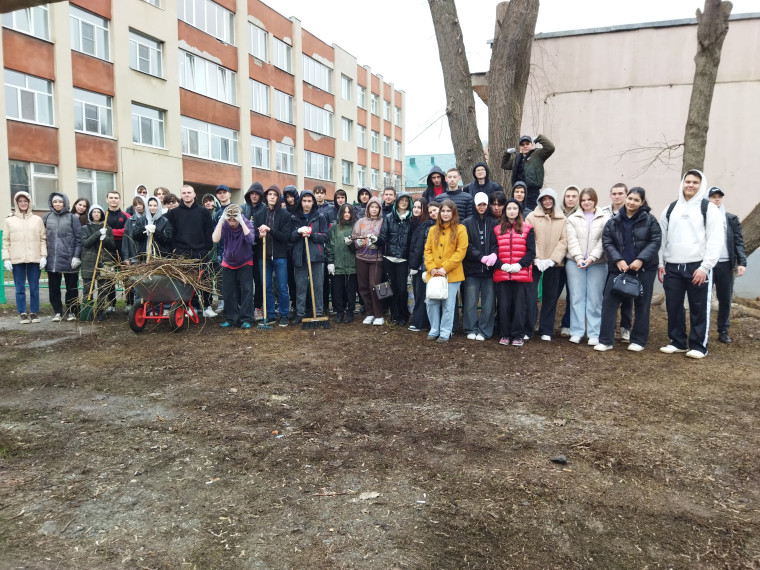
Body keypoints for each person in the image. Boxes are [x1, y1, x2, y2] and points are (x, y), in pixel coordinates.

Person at [658, 169, 723, 359]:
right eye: (688, 181)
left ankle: (698, 345)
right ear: (682, 183)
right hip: (672, 267)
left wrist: (705, 267)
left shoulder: (708, 209)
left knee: (698, 306)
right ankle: (677, 342)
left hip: (698, 267)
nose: (690, 185)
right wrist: (661, 263)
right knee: (674, 305)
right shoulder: (670, 209)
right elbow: (662, 239)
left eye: (695, 182)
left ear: (700, 185)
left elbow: (715, 240)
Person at [595, 187, 662, 352]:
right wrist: (618, 259)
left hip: (644, 268)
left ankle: (638, 340)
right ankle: (606, 340)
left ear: (642, 202)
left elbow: (655, 241)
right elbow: (607, 241)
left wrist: (640, 260)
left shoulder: (650, 220)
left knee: (642, 303)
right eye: (630, 198)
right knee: (609, 303)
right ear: (626, 199)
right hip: (619, 268)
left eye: (636, 200)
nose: (632, 202)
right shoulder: (614, 221)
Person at [564, 188, 609, 345]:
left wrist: (591, 257)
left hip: (598, 263)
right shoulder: (573, 219)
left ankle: (594, 333)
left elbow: (603, 241)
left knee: (595, 298)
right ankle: (576, 331)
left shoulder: (605, 218)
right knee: (576, 297)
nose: (586, 202)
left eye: (589, 199)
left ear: (595, 200)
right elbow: (572, 239)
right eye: (583, 200)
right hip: (575, 263)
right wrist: (578, 257)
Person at [166, 184, 216, 317]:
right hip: (182, 253)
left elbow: (209, 232)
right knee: (185, 281)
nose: (186, 195)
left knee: (204, 280)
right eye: (184, 193)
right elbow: (171, 233)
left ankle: (206, 306)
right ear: (181, 195)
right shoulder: (174, 213)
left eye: (189, 192)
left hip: (200, 252)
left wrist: (206, 249)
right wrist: (175, 250)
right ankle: (189, 306)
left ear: (194, 195)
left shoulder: (203, 212)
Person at [491, 198, 535, 346]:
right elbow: (493, 251)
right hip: (502, 274)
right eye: (509, 208)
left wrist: (520, 265)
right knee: (503, 306)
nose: (511, 211)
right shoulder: (497, 229)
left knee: (519, 307)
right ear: (505, 211)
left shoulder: (528, 229)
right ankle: (504, 334)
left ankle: (518, 335)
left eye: (515, 209)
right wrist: (500, 265)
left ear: (519, 211)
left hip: (520, 274)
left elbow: (531, 252)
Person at [525, 188, 567, 341]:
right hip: (535, 263)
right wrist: (535, 257)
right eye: (544, 199)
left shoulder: (562, 219)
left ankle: (546, 330)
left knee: (550, 297)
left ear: (554, 201)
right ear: (540, 201)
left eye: (550, 199)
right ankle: (528, 328)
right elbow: (529, 238)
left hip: (553, 265)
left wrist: (553, 259)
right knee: (530, 296)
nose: (547, 201)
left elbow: (564, 241)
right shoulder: (531, 217)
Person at [708, 186, 748, 343]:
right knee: (702, 299)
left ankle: (723, 330)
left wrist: (742, 262)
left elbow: (739, 241)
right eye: (713, 196)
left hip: (725, 265)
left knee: (725, 298)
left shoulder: (730, 219)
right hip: (707, 265)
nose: (717, 199)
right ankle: (700, 330)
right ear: (708, 199)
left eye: (719, 196)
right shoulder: (702, 217)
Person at [424, 200, 468, 342]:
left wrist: (445, 268)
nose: (445, 214)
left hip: (452, 274)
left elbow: (460, 252)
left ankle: (445, 332)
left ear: (454, 212)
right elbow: (428, 250)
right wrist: (432, 268)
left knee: (448, 304)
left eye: (449, 211)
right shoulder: (433, 230)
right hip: (434, 273)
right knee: (431, 301)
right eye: (443, 211)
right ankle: (434, 329)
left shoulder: (461, 229)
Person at [3, 191, 46, 324]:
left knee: (34, 287)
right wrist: (6, 259)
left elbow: (42, 239)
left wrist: (44, 256)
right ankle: (22, 312)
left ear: (29, 203)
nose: (23, 203)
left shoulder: (37, 220)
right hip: (17, 258)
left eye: (25, 201)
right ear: (16, 203)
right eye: (20, 201)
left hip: (34, 258)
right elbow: (6, 241)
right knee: (19, 288)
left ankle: (33, 312)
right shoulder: (9, 220)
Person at [211, 204, 256, 329]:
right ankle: (231, 319)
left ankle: (246, 319)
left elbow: (250, 240)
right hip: (228, 263)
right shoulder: (225, 224)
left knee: (246, 291)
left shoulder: (245, 223)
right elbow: (215, 239)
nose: (232, 219)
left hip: (245, 262)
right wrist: (221, 220)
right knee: (228, 292)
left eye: (234, 216)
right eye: (229, 216)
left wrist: (241, 220)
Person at [462, 192, 498, 341]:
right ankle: (471, 328)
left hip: (489, 271)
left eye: (484, 204)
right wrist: (480, 256)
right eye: (479, 205)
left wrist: (494, 254)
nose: (481, 207)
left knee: (488, 303)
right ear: (475, 205)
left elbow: (497, 243)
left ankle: (484, 330)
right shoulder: (467, 223)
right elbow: (467, 245)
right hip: (472, 269)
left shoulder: (494, 223)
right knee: (471, 301)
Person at [254, 184, 291, 327]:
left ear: (278, 197)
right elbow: (254, 236)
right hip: (263, 257)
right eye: (270, 194)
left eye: (275, 195)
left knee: (282, 286)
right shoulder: (259, 215)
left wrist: (270, 230)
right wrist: (260, 235)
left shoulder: (285, 215)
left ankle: (283, 314)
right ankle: (270, 314)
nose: (272, 197)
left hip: (280, 256)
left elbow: (285, 237)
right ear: (266, 197)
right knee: (266, 286)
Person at [289, 190, 329, 324]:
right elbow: (290, 237)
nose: (307, 204)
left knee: (318, 285)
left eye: (309, 201)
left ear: (313, 202)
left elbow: (325, 236)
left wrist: (312, 235)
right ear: (301, 202)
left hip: (316, 256)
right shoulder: (294, 218)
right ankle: (300, 312)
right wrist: (298, 232)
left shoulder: (319, 217)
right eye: (304, 201)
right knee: (300, 286)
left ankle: (318, 311)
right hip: (300, 256)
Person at [43, 192, 82, 322]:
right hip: (52, 260)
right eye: (55, 202)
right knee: (54, 288)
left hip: (69, 259)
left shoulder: (72, 218)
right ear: (51, 203)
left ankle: (72, 311)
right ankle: (57, 312)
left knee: (71, 288)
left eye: (60, 202)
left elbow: (78, 239)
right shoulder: (47, 217)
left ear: (65, 203)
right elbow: (40, 235)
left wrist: (76, 256)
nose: (57, 204)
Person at [601, 182, 633, 342]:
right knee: (608, 296)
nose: (617, 196)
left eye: (620, 193)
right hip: (606, 261)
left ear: (626, 195)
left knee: (627, 295)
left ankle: (625, 327)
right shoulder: (602, 212)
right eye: (614, 193)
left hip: (626, 262)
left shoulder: (632, 213)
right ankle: (610, 327)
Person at [377, 191, 414, 325]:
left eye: (406, 201)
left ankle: (403, 315)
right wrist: (375, 240)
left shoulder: (411, 219)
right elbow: (383, 236)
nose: (403, 203)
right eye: (401, 200)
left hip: (403, 259)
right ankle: (394, 314)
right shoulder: (389, 217)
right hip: (389, 257)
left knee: (402, 288)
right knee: (389, 287)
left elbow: (412, 240)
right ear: (397, 202)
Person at [352, 196, 385, 325]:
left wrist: (378, 241)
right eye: (372, 207)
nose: (374, 209)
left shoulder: (383, 221)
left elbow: (385, 237)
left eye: (377, 207)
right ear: (368, 208)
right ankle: (369, 312)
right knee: (363, 286)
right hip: (361, 257)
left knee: (375, 285)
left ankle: (379, 314)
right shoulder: (360, 221)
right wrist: (357, 242)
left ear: (380, 209)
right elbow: (354, 237)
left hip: (377, 258)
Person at [501, 134, 555, 211]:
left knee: (532, 213)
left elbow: (550, 148)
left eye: (527, 144)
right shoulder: (517, 159)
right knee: (518, 212)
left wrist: (539, 138)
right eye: (522, 145)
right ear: (520, 147)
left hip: (532, 192)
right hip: (519, 192)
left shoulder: (537, 154)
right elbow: (504, 165)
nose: (525, 146)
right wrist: (507, 153)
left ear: (532, 144)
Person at [80, 204, 115, 321]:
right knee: (87, 289)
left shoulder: (107, 228)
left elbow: (112, 246)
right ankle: (87, 311)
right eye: (94, 212)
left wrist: (105, 238)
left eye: (98, 212)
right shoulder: (85, 228)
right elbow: (86, 243)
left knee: (103, 290)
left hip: (103, 262)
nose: (96, 214)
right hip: (89, 262)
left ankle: (100, 311)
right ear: (90, 214)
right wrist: (98, 234)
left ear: (102, 215)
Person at [408, 199, 437, 332]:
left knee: (422, 294)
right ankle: (421, 321)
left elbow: (421, 247)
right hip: (418, 264)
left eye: (419, 207)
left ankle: (421, 322)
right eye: (414, 207)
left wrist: (415, 265)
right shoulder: (415, 223)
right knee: (419, 293)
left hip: (423, 265)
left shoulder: (425, 225)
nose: (416, 210)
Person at [326, 203, 358, 324]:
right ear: (340, 213)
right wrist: (330, 262)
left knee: (350, 290)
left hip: (351, 265)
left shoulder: (355, 227)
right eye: (344, 212)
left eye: (349, 212)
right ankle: (340, 312)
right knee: (337, 290)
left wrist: (351, 245)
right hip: (337, 264)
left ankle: (350, 311)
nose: (346, 214)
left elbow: (358, 247)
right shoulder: (334, 227)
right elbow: (329, 245)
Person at [557, 184, 580, 336]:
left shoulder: (581, 215)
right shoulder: (557, 212)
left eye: (574, 196)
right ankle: (546, 322)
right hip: (558, 261)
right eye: (568, 196)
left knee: (573, 294)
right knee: (552, 294)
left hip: (573, 260)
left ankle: (567, 323)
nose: (570, 199)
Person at [103, 190, 130, 313]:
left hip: (123, 250)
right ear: (107, 200)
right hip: (108, 251)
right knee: (109, 279)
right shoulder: (103, 215)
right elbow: (100, 230)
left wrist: (110, 232)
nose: (113, 200)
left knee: (127, 278)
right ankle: (111, 304)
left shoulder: (126, 216)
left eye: (116, 198)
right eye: (111, 197)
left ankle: (130, 302)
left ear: (120, 200)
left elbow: (126, 231)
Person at [243, 182, 266, 321]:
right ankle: (245, 308)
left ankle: (258, 307)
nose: (254, 196)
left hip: (260, 249)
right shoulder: (243, 209)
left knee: (259, 280)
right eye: (252, 193)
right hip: (245, 249)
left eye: (257, 194)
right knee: (245, 281)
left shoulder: (264, 209)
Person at [283, 185, 300, 315]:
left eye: (291, 196)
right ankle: (294, 304)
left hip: (300, 249)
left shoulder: (300, 211)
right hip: (287, 250)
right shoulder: (285, 212)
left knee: (301, 278)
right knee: (291, 280)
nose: (290, 199)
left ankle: (304, 304)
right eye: (287, 197)